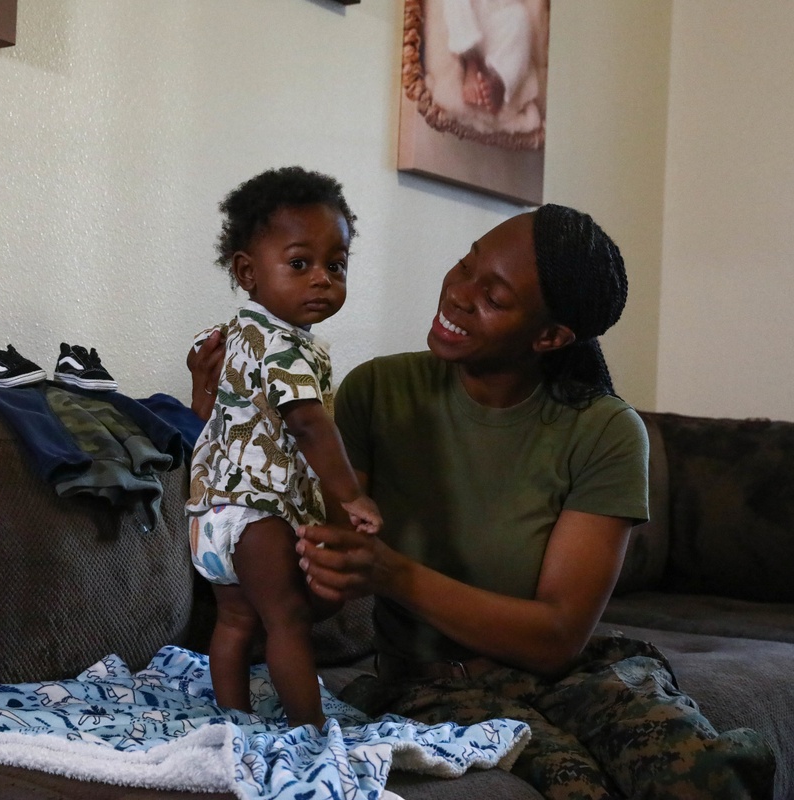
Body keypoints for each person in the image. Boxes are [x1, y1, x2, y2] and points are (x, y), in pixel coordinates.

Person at [188, 204, 776, 798]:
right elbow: (315, 573)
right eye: (466, 264)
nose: (459, 295)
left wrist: (393, 573)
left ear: (549, 336)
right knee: (576, 787)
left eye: (493, 296)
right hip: (429, 687)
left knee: (705, 781)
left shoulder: (606, 431)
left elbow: (555, 637)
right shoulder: (376, 391)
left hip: (574, 673)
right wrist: (216, 413)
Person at [186, 166, 382, 730]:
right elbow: (309, 426)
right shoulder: (281, 346)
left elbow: (215, 411)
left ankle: (233, 722)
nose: (322, 279)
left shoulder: (232, 335)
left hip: (210, 510)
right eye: (300, 264)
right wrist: (351, 498)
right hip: (254, 509)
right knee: (289, 619)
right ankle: (312, 732)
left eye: (336, 265)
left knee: (236, 622)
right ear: (247, 272)